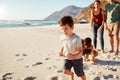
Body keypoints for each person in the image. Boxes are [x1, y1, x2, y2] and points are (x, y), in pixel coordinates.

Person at [58, 16, 86, 80]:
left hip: (77, 59)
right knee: (65, 71)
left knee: (80, 73)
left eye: (66, 28)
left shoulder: (76, 38)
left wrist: (73, 56)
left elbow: (80, 51)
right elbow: (63, 46)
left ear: (72, 27)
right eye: (62, 29)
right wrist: (61, 52)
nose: (63, 31)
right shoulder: (62, 38)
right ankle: (71, 74)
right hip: (67, 58)